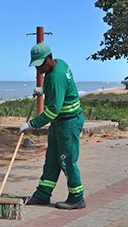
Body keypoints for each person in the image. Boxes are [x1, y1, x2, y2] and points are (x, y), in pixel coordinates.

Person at [20, 42, 86, 210]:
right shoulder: (59, 64)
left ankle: (76, 198)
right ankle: (42, 195)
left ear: (50, 58)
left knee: (67, 161)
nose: (39, 69)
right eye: (36, 65)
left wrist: (31, 124)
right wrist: (43, 89)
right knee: (51, 161)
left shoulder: (56, 77)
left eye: (41, 64)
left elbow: (52, 112)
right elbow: (59, 90)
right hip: (60, 124)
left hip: (68, 123)